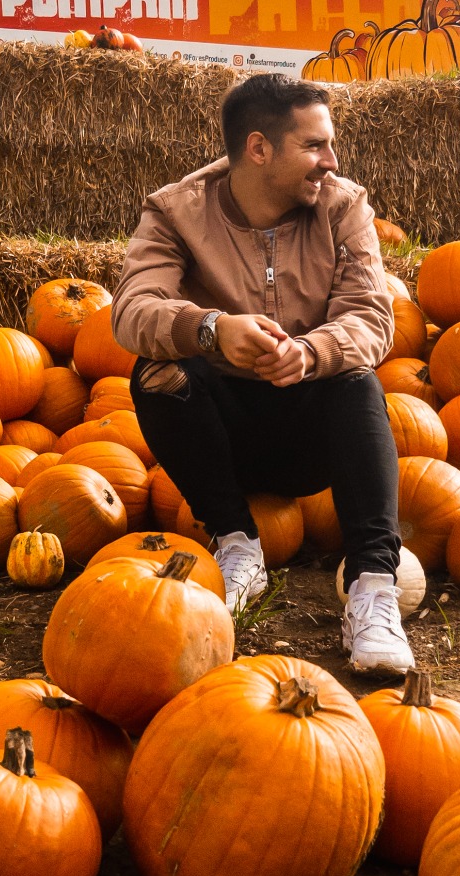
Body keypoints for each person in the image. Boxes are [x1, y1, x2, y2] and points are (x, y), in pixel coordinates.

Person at [110, 73, 414, 673]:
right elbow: (130, 312)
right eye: (314, 146)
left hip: (311, 432)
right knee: (156, 374)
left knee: (358, 380)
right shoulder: (176, 212)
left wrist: (309, 353)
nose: (330, 161)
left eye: (329, 145)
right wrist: (211, 328)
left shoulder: (344, 207)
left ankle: (374, 588)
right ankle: (236, 544)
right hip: (224, 434)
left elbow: (371, 318)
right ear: (258, 149)